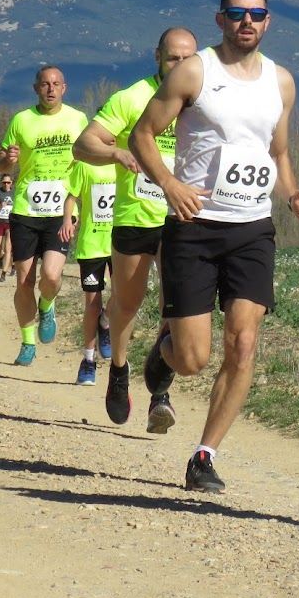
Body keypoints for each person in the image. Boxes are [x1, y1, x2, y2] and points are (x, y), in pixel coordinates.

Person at [130, 0, 299, 492]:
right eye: (237, 13)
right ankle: (166, 352)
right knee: (192, 359)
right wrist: (170, 184)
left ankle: (204, 455)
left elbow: (277, 152)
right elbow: (142, 135)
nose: (247, 22)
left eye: (257, 13)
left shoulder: (281, 82)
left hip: (252, 228)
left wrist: (295, 196)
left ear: (268, 20)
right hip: (193, 229)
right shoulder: (195, 71)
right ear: (221, 20)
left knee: (244, 342)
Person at [73, 27, 198, 433]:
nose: (180, 65)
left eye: (188, 58)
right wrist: (116, 151)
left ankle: (160, 393)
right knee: (127, 303)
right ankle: (120, 370)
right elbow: (82, 145)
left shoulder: (202, 101)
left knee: (174, 307)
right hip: (133, 219)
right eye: (173, 58)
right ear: (157, 56)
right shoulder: (130, 98)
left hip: (179, 220)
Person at [0, 65, 88, 366]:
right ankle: (27, 341)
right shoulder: (21, 120)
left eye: (56, 84)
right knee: (24, 279)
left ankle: (47, 305)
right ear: (36, 88)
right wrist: (6, 159)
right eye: (45, 84)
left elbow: (88, 157)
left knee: (51, 275)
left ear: (64, 88)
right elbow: (3, 167)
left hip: (62, 210)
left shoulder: (78, 119)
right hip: (26, 208)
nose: (50, 89)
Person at [61, 159, 116, 385]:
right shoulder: (84, 165)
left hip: (120, 242)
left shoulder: (127, 159)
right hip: (92, 243)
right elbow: (71, 197)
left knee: (125, 297)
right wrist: (67, 220)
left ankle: (105, 321)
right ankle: (88, 361)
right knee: (92, 304)